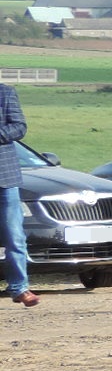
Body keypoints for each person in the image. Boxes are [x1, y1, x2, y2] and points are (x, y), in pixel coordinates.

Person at [0, 81, 36, 308]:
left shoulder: (5, 93)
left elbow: (19, 127)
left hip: (5, 178)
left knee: (14, 236)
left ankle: (19, 287)